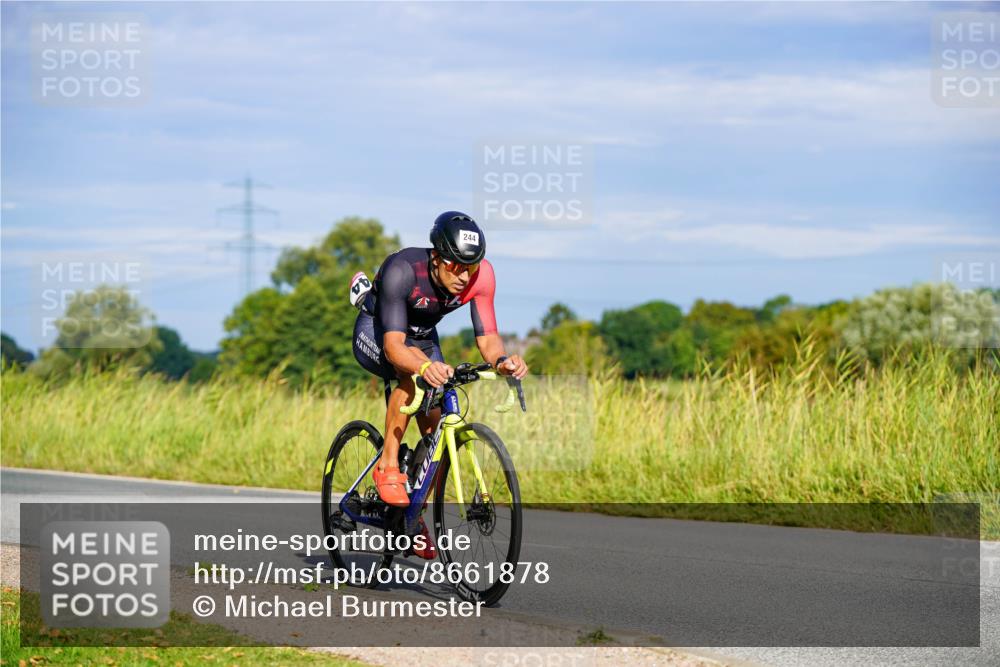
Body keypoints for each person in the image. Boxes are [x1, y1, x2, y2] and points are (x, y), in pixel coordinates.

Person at [350, 211, 529, 556]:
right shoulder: (404, 270)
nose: (464, 276)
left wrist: (502, 362)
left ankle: (412, 516)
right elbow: (394, 347)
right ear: (436, 258)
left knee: (438, 440)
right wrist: (426, 366)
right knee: (411, 376)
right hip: (379, 329)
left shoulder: (481, 276)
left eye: (471, 267)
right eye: (456, 267)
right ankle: (388, 466)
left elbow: (488, 338)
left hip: (422, 335)